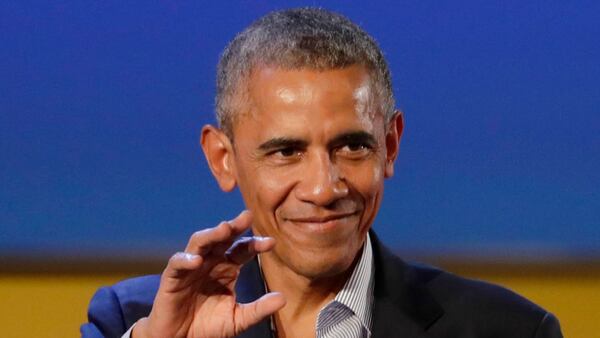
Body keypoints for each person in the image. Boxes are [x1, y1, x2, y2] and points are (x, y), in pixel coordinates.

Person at [81, 8, 563, 338]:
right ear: (222, 159)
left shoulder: (509, 329)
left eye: (352, 145)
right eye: (286, 151)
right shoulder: (132, 320)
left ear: (390, 145)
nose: (322, 188)